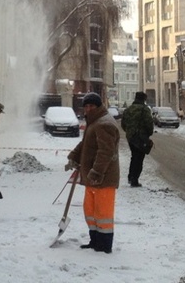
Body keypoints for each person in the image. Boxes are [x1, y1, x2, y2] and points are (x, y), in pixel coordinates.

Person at [66, 92, 120, 254]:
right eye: (86, 106)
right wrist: (74, 157)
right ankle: (95, 240)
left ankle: (104, 245)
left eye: (91, 106)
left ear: (98, 106)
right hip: (92, 177)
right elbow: (86, 144)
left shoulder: (104, 124)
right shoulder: (94, 121)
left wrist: (97, 172)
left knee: (103, 213)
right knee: (91, 210)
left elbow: (106, 152)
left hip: (103, 177)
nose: (88, 108)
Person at [120, 91, 154, 187]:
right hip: (141, 137)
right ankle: (134, 179)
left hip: (131, 137)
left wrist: (129, 132)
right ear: (144, 99)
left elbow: (123, 124)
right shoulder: (145, 109)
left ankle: (131, 177)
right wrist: (148, 134)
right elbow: (149, 123)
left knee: (134, 157)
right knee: (139, 159)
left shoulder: (128, 110)